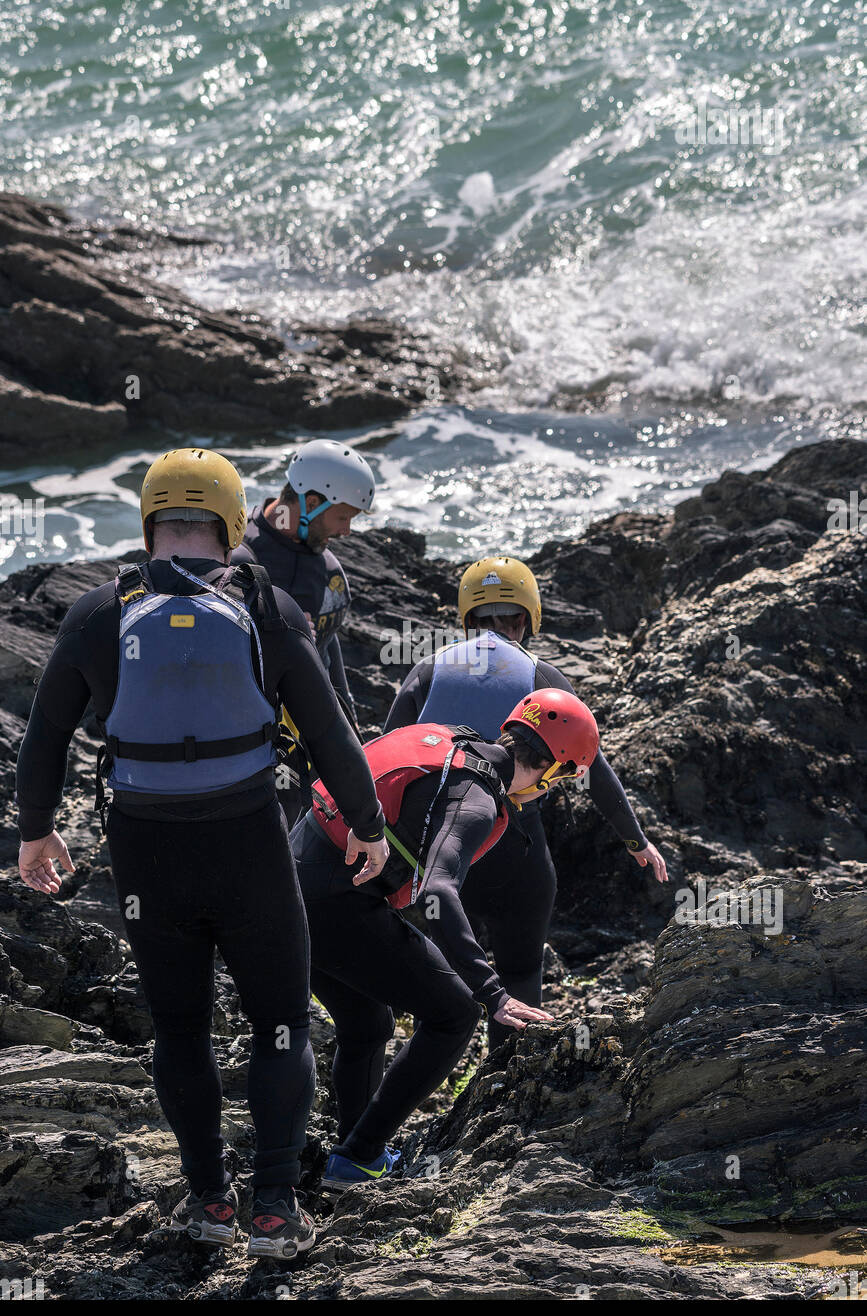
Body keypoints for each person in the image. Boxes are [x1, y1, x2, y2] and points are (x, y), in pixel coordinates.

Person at [15, 447, 388, 1259]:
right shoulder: (270, 606)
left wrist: (36, 831)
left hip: (147, 855)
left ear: (149, 521)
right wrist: (365, 823)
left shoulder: (96, 612)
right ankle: (274, 1209)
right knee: (280, 1023)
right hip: (248, 842)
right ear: (228, 520)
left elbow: (44, 736)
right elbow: (327, 732)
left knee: (180, 1030)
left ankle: (208, 1201)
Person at [291, 687, 600, 1190]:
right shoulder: (477, 797)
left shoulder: (454, 743)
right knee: (456, 1014)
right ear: (555, 769)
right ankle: (359, 1156)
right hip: (333, 904)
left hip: (293, 883)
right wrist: (492, 993)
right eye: (562, 780)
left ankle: (354, 1154)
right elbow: (436, 891)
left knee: (367, 1020)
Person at [384, 555, 667, 1049]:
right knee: (520, 970)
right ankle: (505, 1080)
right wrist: (635, 839)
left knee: (446, 983)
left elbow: (388, 754)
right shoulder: (542, 674)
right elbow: (592, 765)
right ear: (526, 618)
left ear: (466, 616)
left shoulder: (428, 669)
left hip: (438, 847)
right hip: (516, 844)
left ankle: (432, 1073)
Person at [232, 439, 376, 826]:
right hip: (253, 743)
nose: (347, 531)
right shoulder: (241, 554)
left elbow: (329, 649)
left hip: (315, 733)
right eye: (343, 517)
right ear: (312, 502)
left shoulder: (326, 569)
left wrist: (349, 729)